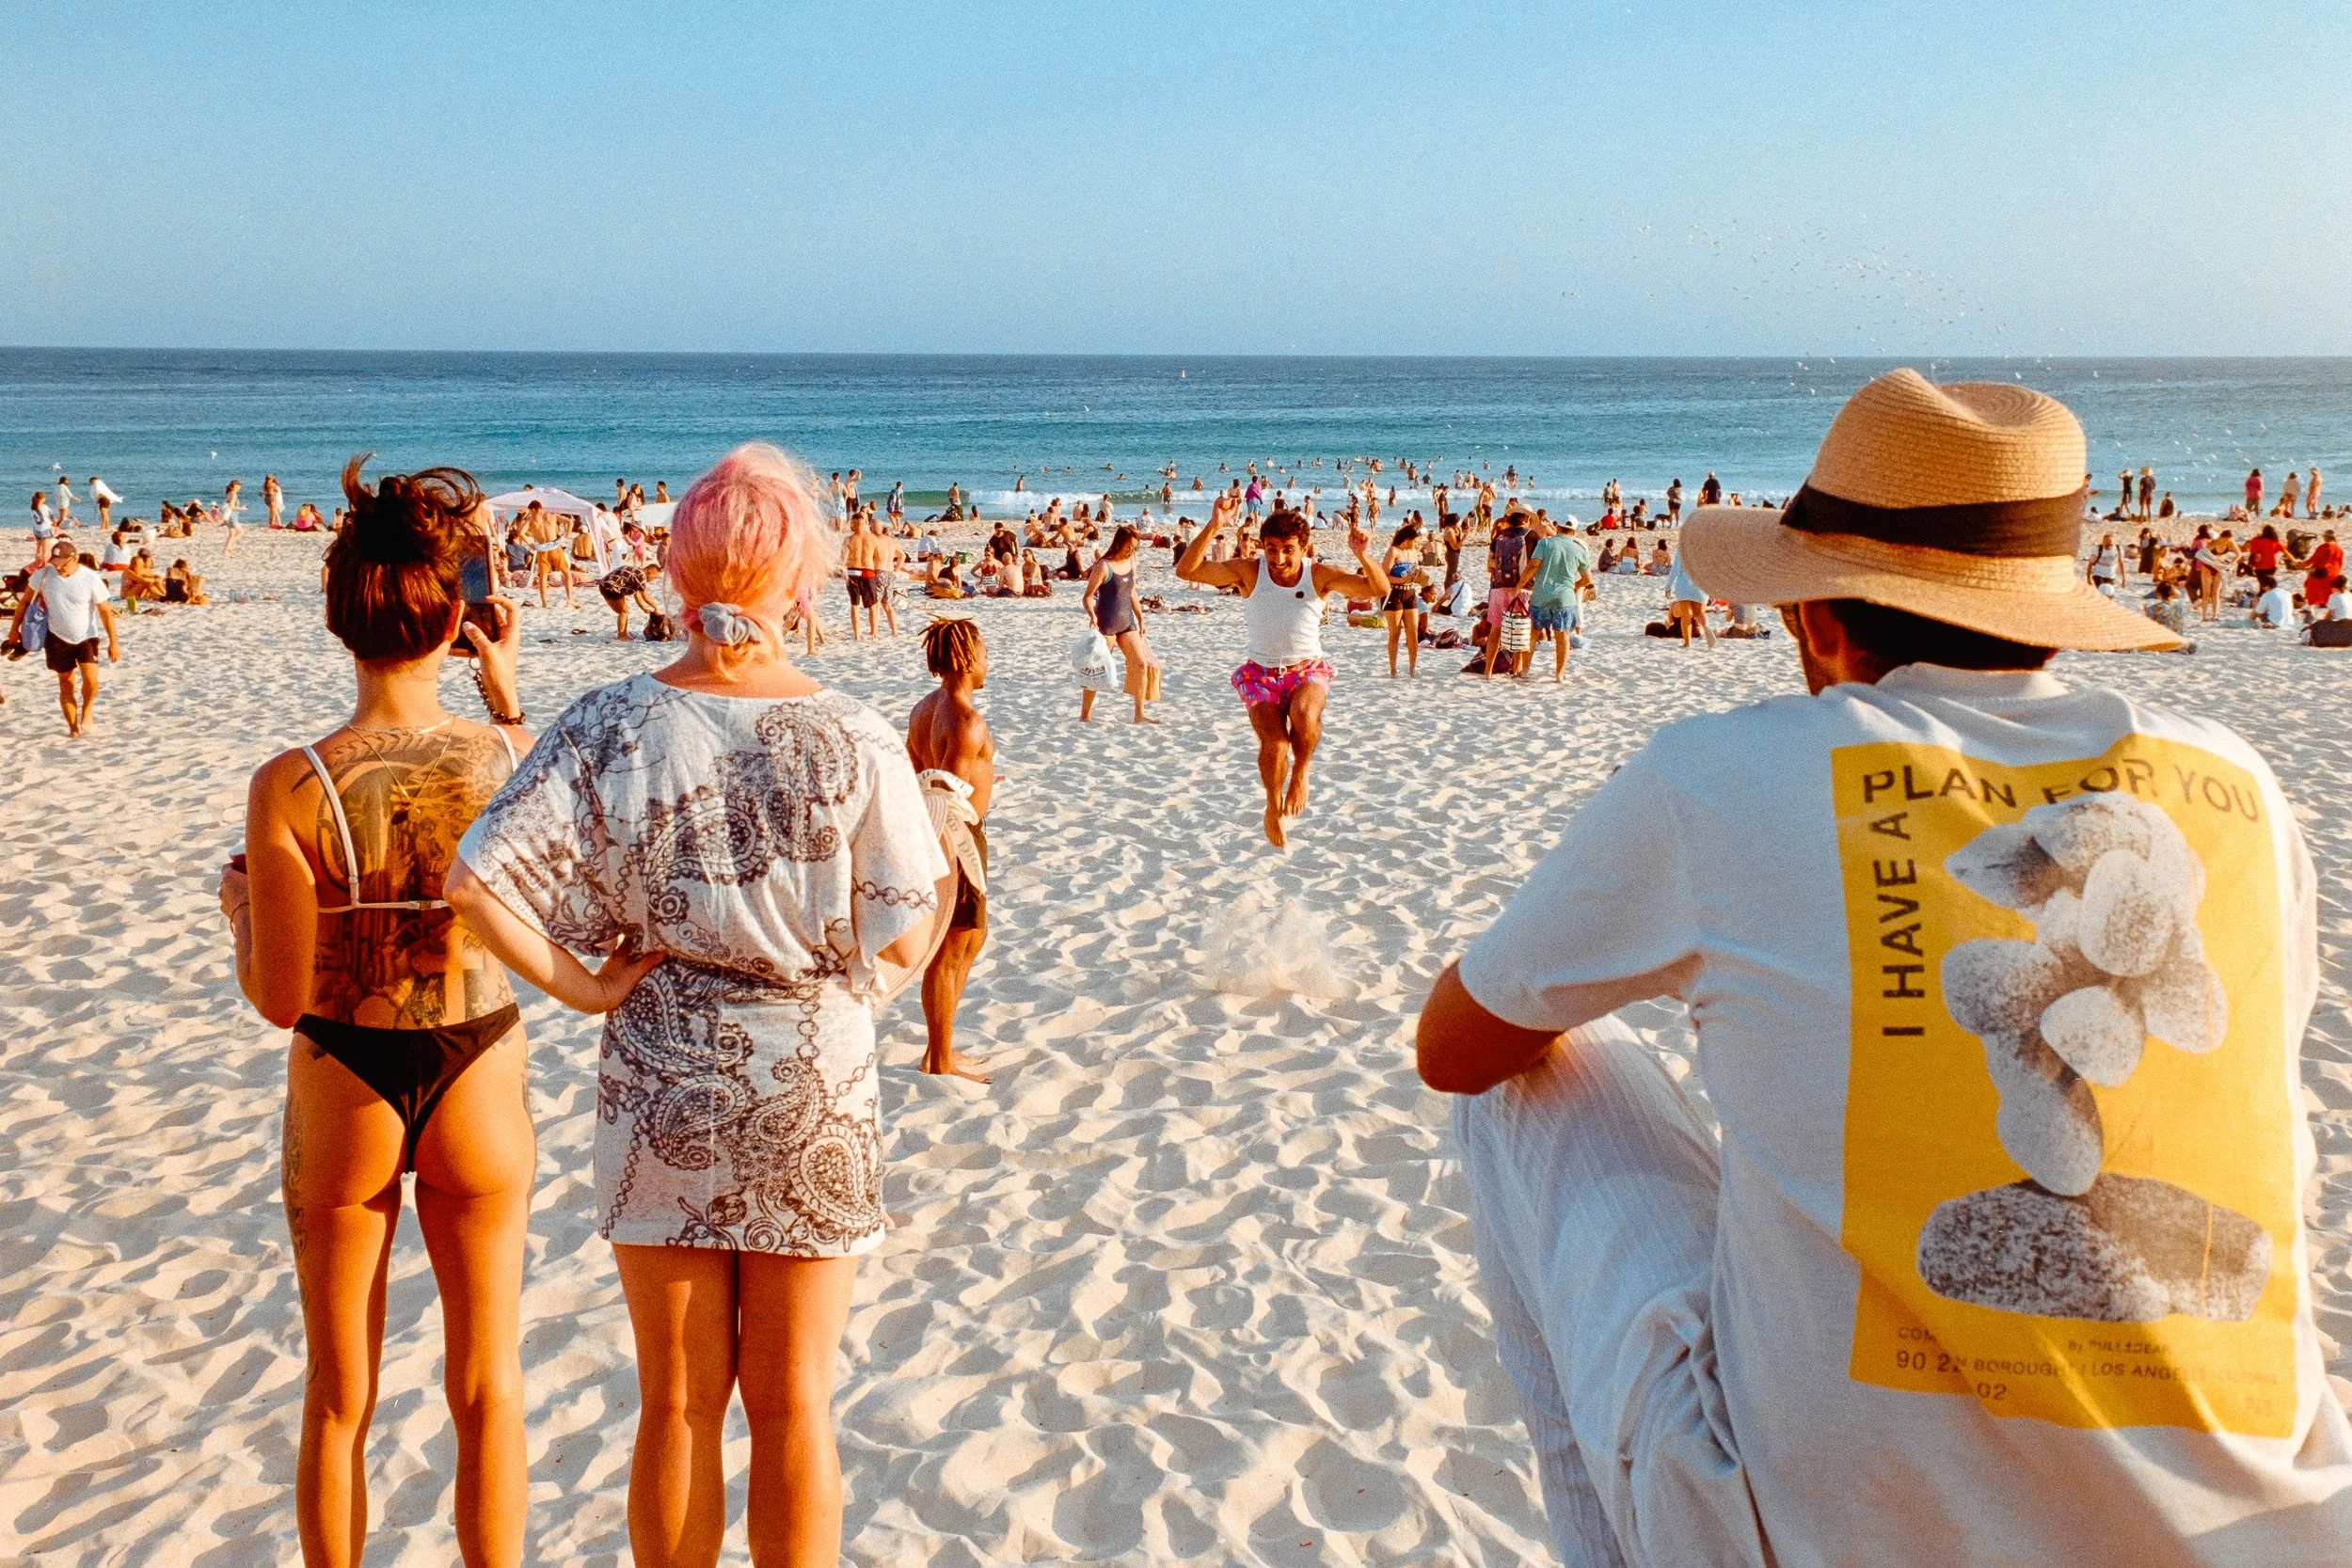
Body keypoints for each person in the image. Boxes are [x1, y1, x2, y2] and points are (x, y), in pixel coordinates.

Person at [1417, 370, 2350, 1568]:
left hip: (1828, 1538)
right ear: (2052, 615)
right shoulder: (2239, 789)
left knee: (1537, 1071)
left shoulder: (1722, 775)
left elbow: (1453, 1043)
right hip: (2277, 1530)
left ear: (1817, 618)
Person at [445, 442, 951, 1568]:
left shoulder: (605, 722)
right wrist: (852, 985)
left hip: (657, 1068)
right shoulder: (859, 733)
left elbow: (476, 881)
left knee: (675, 1403)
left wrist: (583, 984)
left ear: (677, 579)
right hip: (812, 1076)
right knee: (795, 1407)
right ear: (803, 584)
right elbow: (909, 929)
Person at [219, 457, 565, 1568]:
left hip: (347, 1067)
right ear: (454, 617)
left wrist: (240, 909)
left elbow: (279, 998)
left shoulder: (290, 782)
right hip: (478, 1061)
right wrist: (503, 685)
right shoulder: (508, 754)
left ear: (339, 620)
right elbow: (558, 878)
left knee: (338, 1393)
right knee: (488, 1382)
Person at [1176, 497, 1388, 847]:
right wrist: (1215, 525)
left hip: (1307, 668)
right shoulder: (1249, 571)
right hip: (1260, 674)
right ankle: (1272, 806)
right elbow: (1186, 571)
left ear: (1304, 548)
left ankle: (1302, 772)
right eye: (1271, 549)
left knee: (1304, 715)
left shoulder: (1318, 575)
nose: (1278, 559)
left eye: (1288, 550)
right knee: (1274, 745)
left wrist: (1363, 555)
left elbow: (1379, 589)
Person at [907, 617, 995, 1085]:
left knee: (970, 940)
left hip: (944, 832)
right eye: (983, 652)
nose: (987, 661)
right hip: (955, 838)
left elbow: (917, 769)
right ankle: (939, 1058)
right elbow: (947, 793)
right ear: (967, 658)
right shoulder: (966, 720)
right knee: (952, 948)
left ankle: (943, 1047)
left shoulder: (925, 708)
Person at [8, 536, 120, 736]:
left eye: (62, 564)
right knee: (66, 683)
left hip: (86, 637)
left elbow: (104, 611)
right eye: (55, 563)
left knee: (91, 680)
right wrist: (14, 630)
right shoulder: (43, 575)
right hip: (56, 637)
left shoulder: (90, 578)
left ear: (74, 558)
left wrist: (114, 642)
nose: (58, 568)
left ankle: (87, 711)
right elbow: (24, 602)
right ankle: (73, 727)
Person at [1080, 525, 1160, 723]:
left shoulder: (1131, 562)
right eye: (1129, 547)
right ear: (1119, 543)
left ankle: (1139, 714)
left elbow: (1132, 592)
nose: (1131, 551)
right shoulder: (1103, 566)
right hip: (1106, 623)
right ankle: (1085, 714)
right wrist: (1092, 615)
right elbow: (1088, 597)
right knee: (1096, 669)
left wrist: (1141, 617)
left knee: (1140, 664)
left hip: (1127, 622)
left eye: (1135, 548)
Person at [1526, 516, 1593, 680]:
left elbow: (1533, 565)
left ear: (1558, 527)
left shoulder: (1545, 543)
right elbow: (1587, 580)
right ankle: (1559, 674)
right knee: (1562, 637)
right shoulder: (1578, 548)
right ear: (1575, 531)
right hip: (1565, 597)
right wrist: (1574, 587)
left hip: (1541, 594)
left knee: (1533, 634)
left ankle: (1525, 670)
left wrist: (1522, 583)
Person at [1482, 507, 1535, 677]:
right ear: (1526, 519)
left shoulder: (1499, 536)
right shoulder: (1531, 536)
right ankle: (1516, 669)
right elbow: (1535, 564)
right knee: (1521, 629)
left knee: (1495, 630)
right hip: (1523, 588)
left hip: (1499, 587)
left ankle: (1488, 670)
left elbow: (1490, 563)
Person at [1381, 519, 1430, 676]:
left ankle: (1412, 667)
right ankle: (1393, 669)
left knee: (1413, 632)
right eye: (1415, 541)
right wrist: (1402, 580)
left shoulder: (1414, 553)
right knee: (1395, 634)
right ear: (1407, 539)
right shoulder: (1393, 551)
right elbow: (1384, 576)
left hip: (1409, 592)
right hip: (1394, 593)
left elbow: (1413, 571)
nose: (1416, 544)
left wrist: (1419, 577)